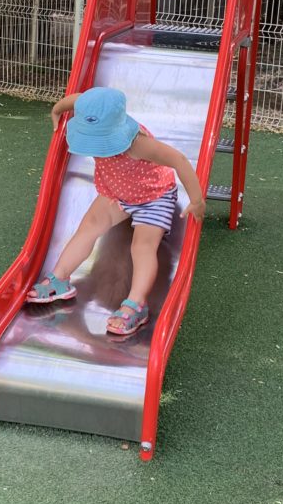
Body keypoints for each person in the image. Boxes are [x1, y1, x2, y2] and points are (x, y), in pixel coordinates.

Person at [26, 87, 206, 336]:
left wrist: (196, 200)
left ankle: (136, 304)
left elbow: (179, 161)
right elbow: (74, 101)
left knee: (142, 247)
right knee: (88, 228)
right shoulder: (88, 107)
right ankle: (60, 279)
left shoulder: (138, 145)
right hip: (117, 192)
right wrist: (56, 111)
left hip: (153, 197)